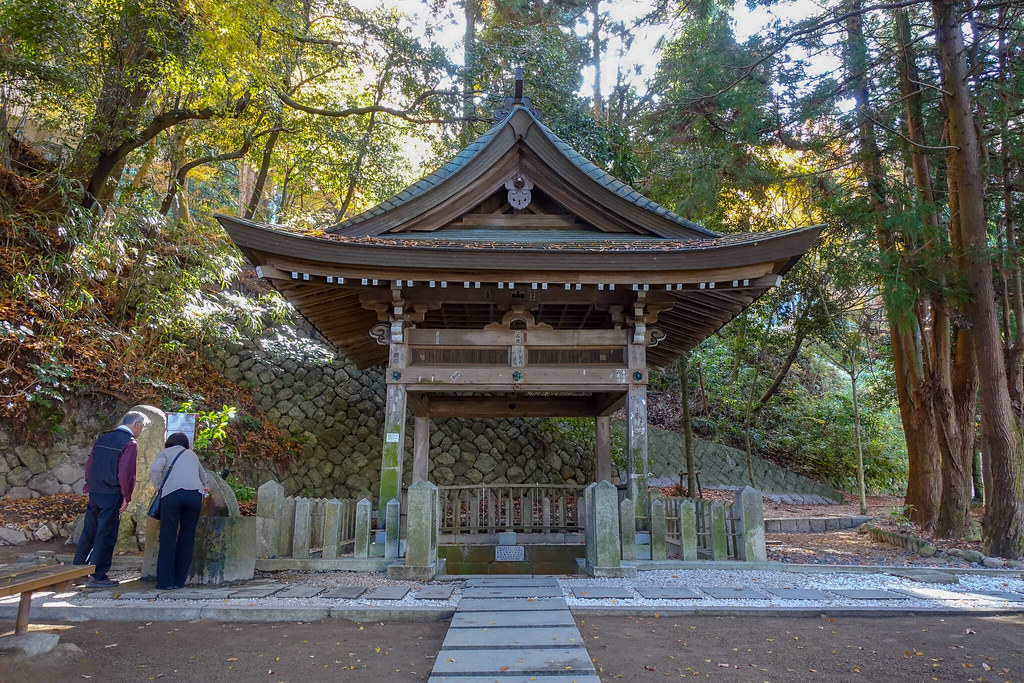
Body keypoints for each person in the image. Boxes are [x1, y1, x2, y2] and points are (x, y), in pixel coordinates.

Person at [74, 411, 149, 588]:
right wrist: (126, 496)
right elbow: (126, 473)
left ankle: (78, 571)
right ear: (136, 423)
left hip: (95, 491)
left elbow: (90, 465)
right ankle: (98, 575)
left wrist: (89, 485)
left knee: (89, 531)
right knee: (106, 533)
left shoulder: (103, 439)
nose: (142, 431)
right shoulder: (129, 443)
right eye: (143, 427)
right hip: (112, 492)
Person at [150, 432, 210, 590]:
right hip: (194, 496)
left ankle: (165, 582)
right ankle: (179, 580)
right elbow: (204, 476)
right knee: (187, 537)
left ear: (169, 442)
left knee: (168, 537)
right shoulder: (191, 454)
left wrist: (158, 486)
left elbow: (156, 469)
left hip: (172, 495)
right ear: (185, 444)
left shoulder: (165, 452)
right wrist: (205, 486)